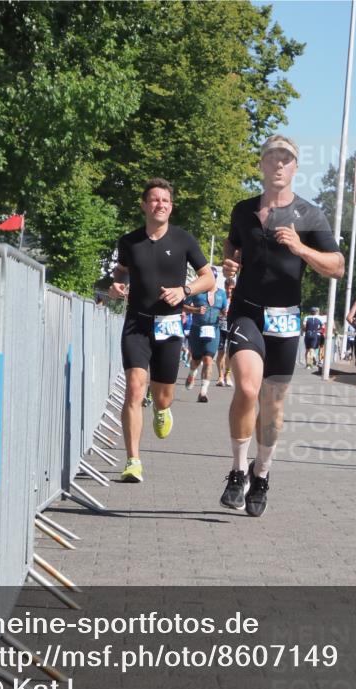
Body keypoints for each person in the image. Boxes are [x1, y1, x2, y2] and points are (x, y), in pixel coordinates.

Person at [220, 134, 344, 516]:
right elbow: (232, 245)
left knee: (272, 404)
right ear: (261, 164)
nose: (278, 164)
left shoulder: (310, 215)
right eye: (272, 157)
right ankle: (238, 471)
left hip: (286, 316)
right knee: (246, 385)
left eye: (286, 159)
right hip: (246, 309)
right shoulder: (243, 210)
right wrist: (229, 264)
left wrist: (301, 248)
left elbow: (337, 266)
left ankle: (262, 473)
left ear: (294, 168)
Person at [108, 178, 214, 482]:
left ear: (171, 206)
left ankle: (162, 408)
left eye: (165, 200)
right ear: (144, 205)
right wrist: (117, 285)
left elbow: (208, 279)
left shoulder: (184, 240)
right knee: (133, 389)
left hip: (169, 325)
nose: (160, 204)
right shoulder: (129, 241)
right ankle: (133, 461)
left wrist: (185, 290)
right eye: (154, 200)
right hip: (136, 323)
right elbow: (122, 271)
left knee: (163, 395)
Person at [183, 268, 227, 403]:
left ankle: (203, 392)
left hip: (213, 330)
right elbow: (183, 306)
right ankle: (192, 374)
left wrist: (224, 313)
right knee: (196, 360)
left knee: (208, 360)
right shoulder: (197, 292)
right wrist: (195, 310)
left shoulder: (221, 294)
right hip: (197, 330)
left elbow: (224, 310)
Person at [215, 276, 235, 387]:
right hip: (220, 327)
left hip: (232, 328)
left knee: (229, 354)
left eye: (231, 289)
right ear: (225, 287)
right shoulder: (220, 296)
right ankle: (220, 376)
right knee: (221, 352)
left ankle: (227, 375)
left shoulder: (236, 299)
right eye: (228, 288)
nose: (229, 291)